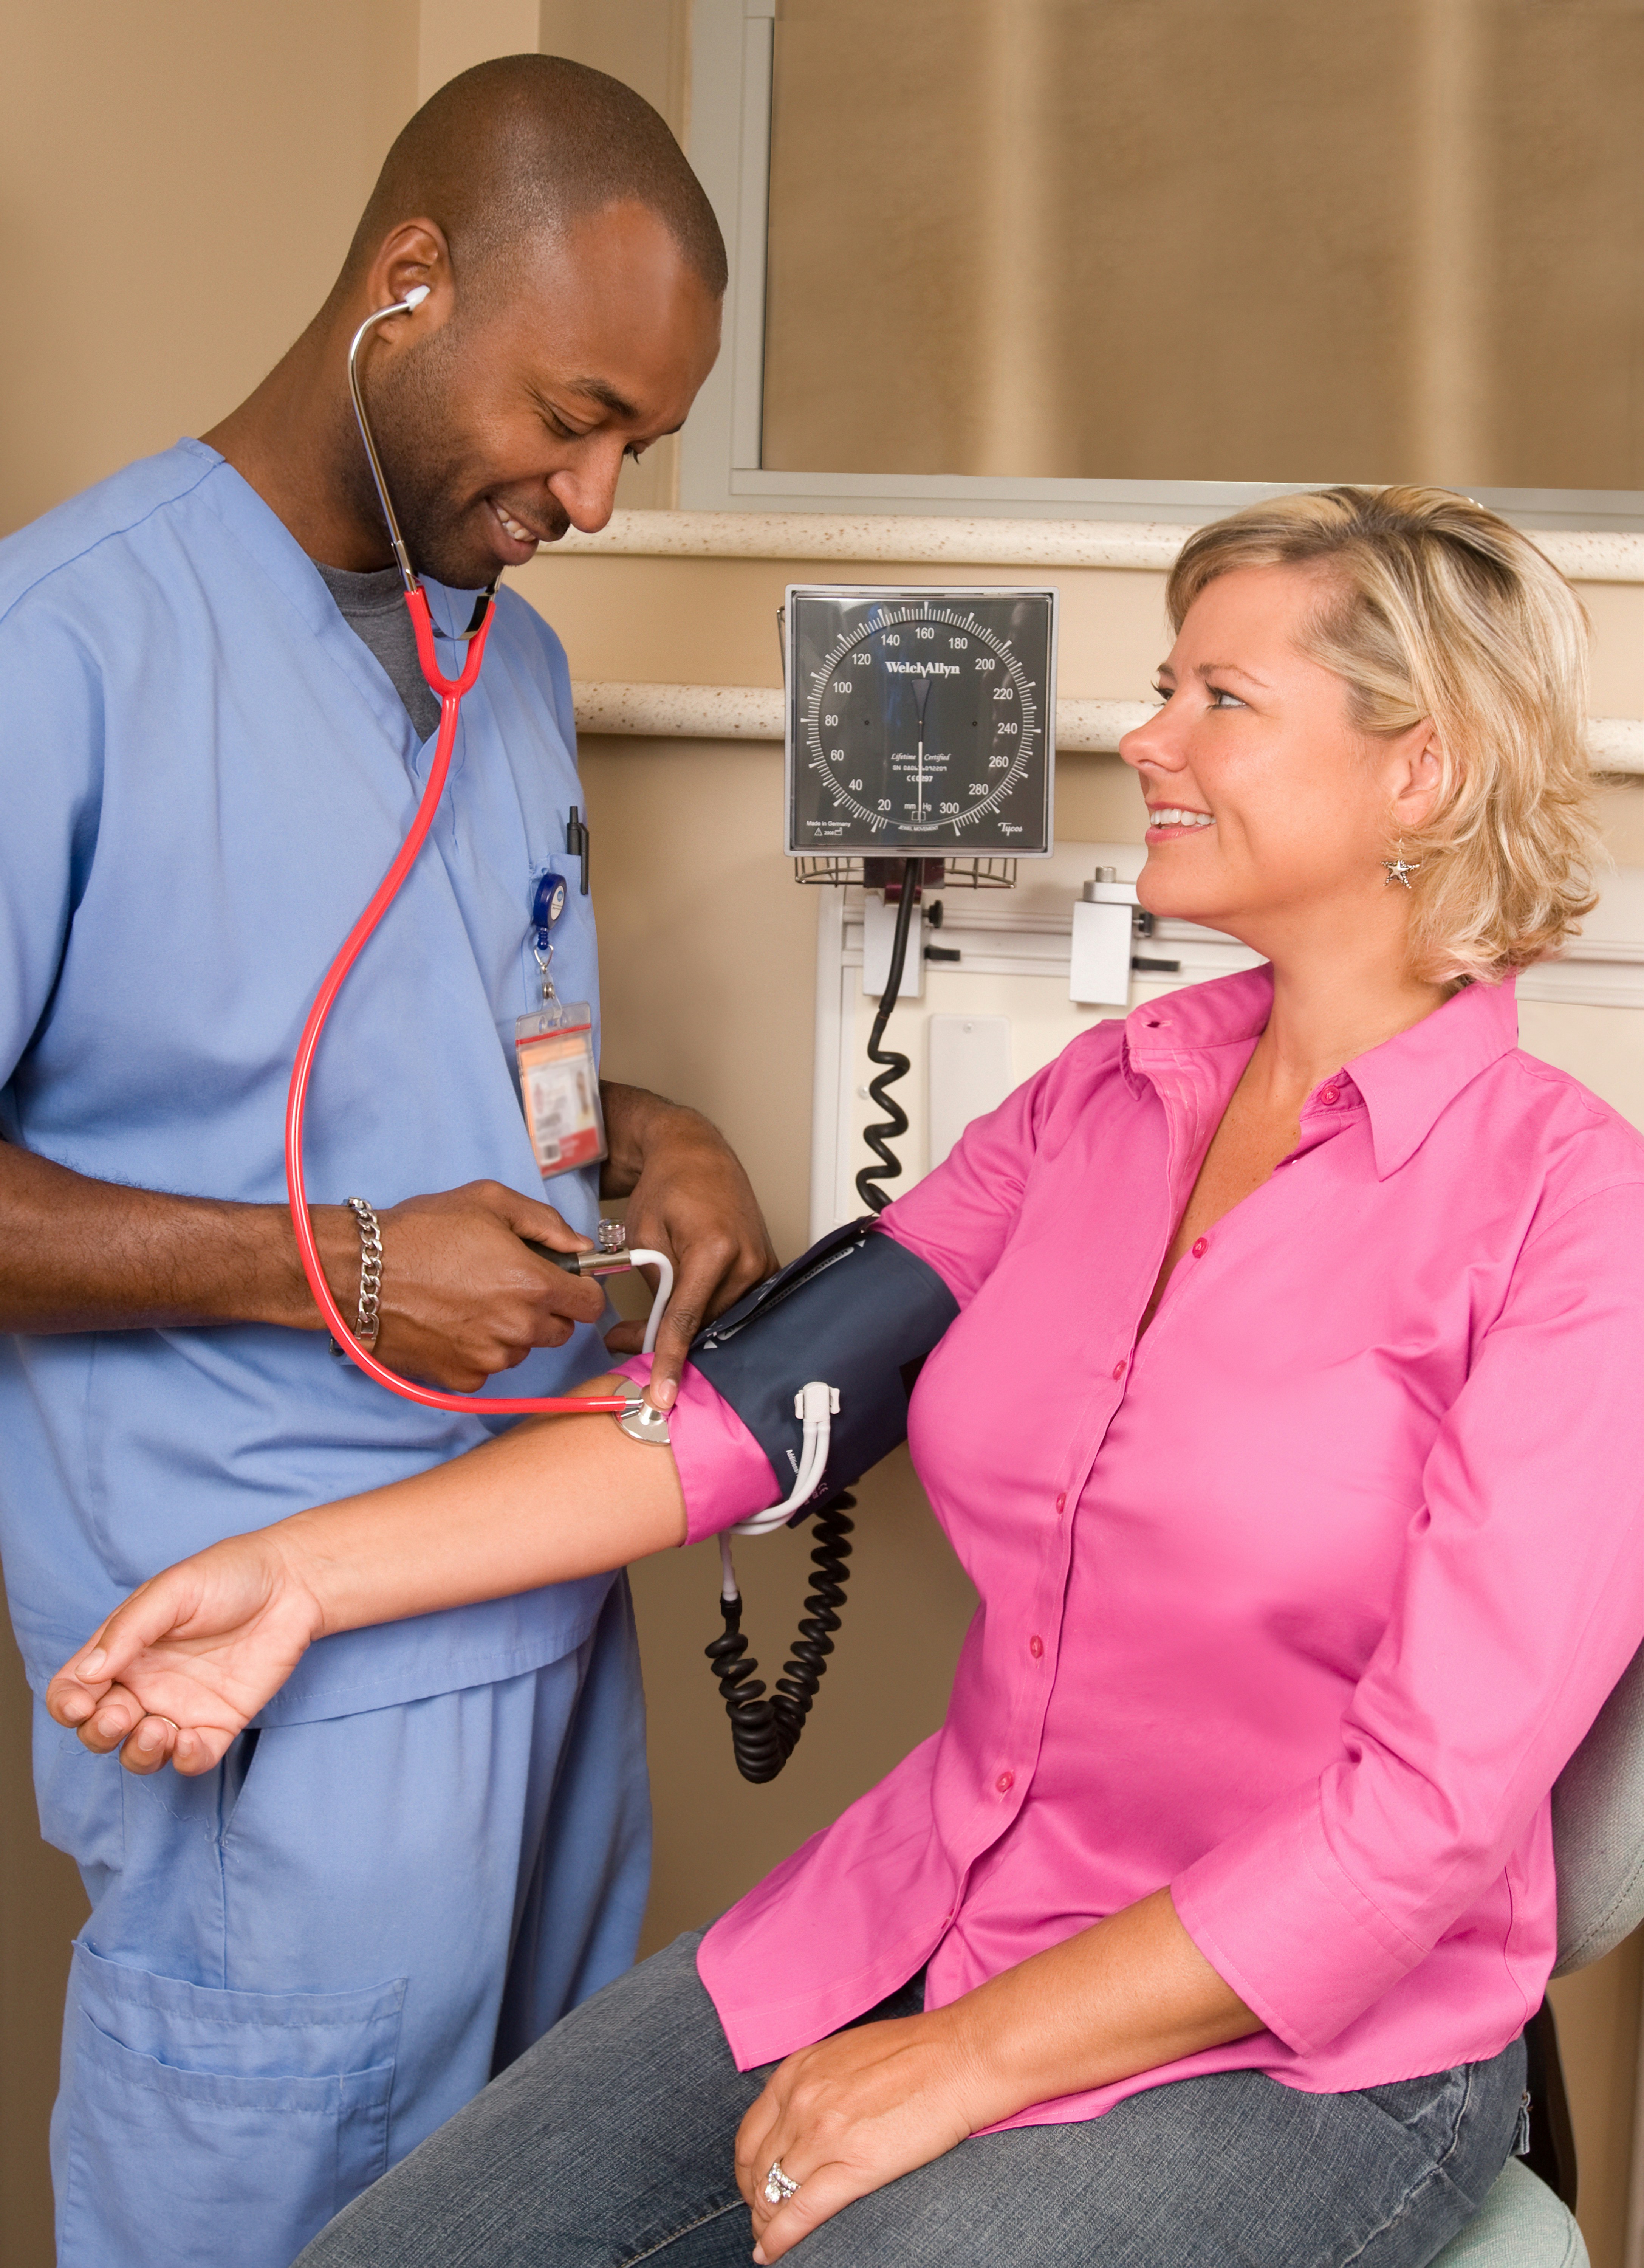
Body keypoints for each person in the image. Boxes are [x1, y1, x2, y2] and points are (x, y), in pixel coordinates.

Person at [49, 487, 1644, 2268]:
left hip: (1304, 2043)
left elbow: (1424, 1819)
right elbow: (740, 1418)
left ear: (1412, 772)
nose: (1144, 736)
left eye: (1218, 699)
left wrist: (958, 2063)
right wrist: (303, 1576)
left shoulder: (1571, 1215)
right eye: (1159, 685)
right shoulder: (1106, 1099)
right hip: (927, 1904)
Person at [2, 54, 779, 2268]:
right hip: (276, 1686)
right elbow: (342, 1195)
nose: (603, 492)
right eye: (576, 412)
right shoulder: (60, 654)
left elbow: (434, 1053)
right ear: (408, 285)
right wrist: (338, 1263)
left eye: (642, 441)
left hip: (549, 1622)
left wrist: (663, 1137)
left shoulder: (505, 666)